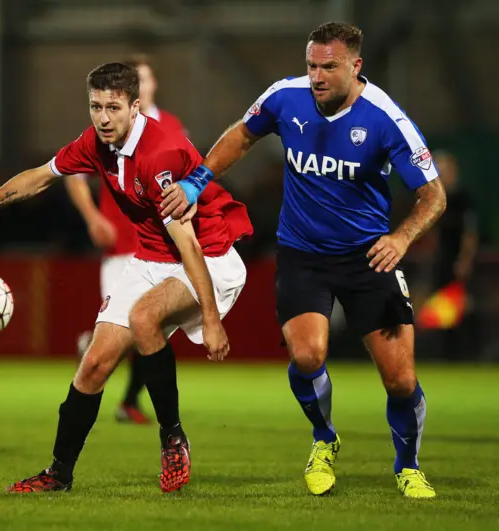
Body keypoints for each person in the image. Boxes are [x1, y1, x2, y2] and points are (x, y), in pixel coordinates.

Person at [159, 22, 446, 498]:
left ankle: (408, 464)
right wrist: (198, 180)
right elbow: (242, 136)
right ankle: (324, 438)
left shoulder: (385, 118)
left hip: (368, 256)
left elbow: (433, 194)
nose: (316, 76)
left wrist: (402, 237)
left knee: (400, 379)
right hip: (302, 253)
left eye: (328, 67)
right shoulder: (284, 97)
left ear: (355, 66)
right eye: (311, 65)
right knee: (308, 353)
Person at [0, 62, 253, 493]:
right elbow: (42, 177)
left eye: (113, 107)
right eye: (95, 106)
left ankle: (172, 437)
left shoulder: (160, 154)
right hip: (152, 256)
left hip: (209, 257)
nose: (102, 117)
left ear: (136, 107)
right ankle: (58, 474)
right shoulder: (95, 143)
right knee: (94, 365)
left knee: (142, 317)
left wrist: (211, 318)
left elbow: (188, 243)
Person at [64, 55, 187, 425]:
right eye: (141, 79)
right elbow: (71, 175)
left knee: (150, 331)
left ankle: (130, 400)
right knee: (133, 333)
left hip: (162, 248)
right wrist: (93, 217)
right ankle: (123, 393)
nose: (146, 86)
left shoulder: (170, 128)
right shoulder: (105, 130)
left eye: (148, 80)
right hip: (120, 247)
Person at [431, 150, 479, 359]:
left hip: (458, 263)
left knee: (463, 310)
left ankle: (469, 355)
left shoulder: (462, 199)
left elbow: (470, 233)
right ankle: (447, 355)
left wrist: (465, 260)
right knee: (443, 312)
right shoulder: (435, 199)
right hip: (441, 262)